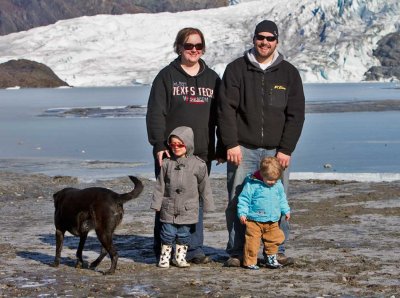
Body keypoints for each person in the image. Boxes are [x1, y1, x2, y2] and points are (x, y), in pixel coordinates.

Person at [217, 20, 305, 267]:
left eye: (270, 38)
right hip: (242, 148)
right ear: (254, 38)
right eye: (260, 37)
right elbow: (226, 110)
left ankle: (276, 250)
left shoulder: (288, 72)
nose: (264, 42)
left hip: (277, 151)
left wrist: (286, 149)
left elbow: (296, 114)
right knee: (238, 199)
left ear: (276, 41)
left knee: (278, 200)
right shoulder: (236, 69)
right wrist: (230, 143)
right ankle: (237, 251)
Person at [146, 27, 222, 264]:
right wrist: (159, 144)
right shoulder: (166, 76)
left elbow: (222, 115)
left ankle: (194, 248)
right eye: (188, 46)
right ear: (179, 47)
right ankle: (163, 247)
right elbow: (155, 113)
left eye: (198, 46)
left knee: (194, 201)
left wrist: (222, 145)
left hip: (200, 153)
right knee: (168, 200)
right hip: (172, 153)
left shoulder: (212, 79)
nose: (194, 50)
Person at [150, 126, 215, 268]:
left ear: (188, 145)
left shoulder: (198, 165)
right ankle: (165, 258)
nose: (176, 147)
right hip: (168, 207)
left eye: (180, 144)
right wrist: (156, 204)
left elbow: (205, 187)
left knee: (184, 234)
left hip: (188, 208)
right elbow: (160, 186)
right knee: (167, 233)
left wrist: (208, 205)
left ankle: (180, 258)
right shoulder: (167, 163)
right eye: (172, 144)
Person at [238, 157, 290, 269]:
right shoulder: (252, 184)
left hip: (272, 220)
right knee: (252, 242)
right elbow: (244, 199)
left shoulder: (278, 185)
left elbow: (282, 199)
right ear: (261, 174)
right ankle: (250, 261)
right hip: (254, 220)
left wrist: (286, 210)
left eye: (275, 180)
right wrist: (242, 213)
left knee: (273, 240)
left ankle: (271, 259)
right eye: (269, 180)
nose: (272, 182)